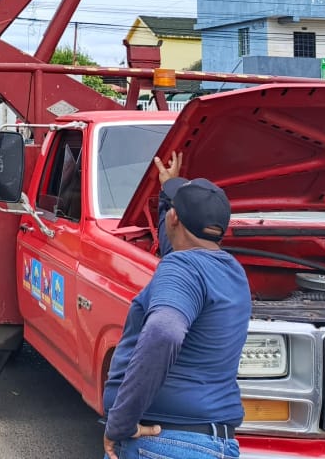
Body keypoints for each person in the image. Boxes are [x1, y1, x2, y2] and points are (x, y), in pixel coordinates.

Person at [101, 153, 249, 459]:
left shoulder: (182, 268)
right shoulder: (232, 271)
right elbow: (179, 247)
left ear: (174, 219)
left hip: (164, 443)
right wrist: (170, 189)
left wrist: (121, 423)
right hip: (213, 443)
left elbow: (164, 332)